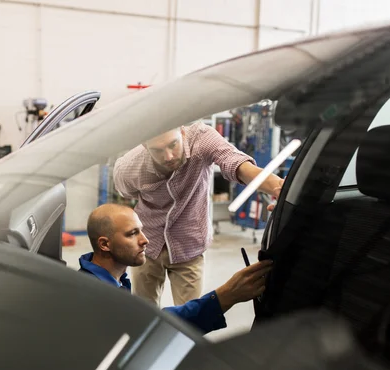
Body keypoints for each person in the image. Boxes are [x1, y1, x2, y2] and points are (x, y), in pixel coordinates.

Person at [113, 121, 283, 306]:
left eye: (173, 145)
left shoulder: (201, 138)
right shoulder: (128, 169)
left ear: (183, 133)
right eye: (158, 151)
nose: (168, 156)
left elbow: (237, 164)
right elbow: (127, 194)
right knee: (143, 311)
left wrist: (277, 187)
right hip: (147, 244)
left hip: (189, 244)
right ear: (145, 146)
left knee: (191, 317)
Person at [79, 203, 272, 335]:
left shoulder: (112, 281)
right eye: (132, 234)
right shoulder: (96, 296)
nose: (145, 240)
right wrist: (225, 295)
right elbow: (152, 325)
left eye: (142, 230)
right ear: (105, 244)